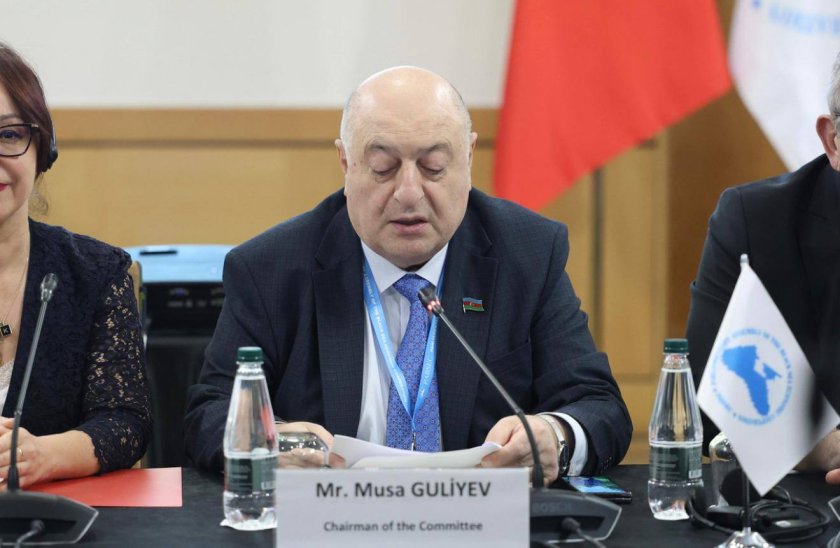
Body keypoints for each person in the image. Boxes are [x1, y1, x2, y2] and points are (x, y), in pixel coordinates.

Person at [184, 66, 632, 483]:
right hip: (333, 520)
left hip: (479, 520)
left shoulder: (527, 254)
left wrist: (556, 436)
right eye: (384, 168)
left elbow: (598, 406)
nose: (409, 192)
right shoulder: (270, 268)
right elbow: (209, 414)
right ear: (346, 163)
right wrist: (264, 443)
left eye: (434, 167)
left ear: (468, 156)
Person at [0, 42, 151, 488]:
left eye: (9, 135)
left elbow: (125, 423)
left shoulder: (95, 273)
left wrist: (42, 456)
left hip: (50, 516)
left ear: (43, 150)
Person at [686, 54, 840, 484]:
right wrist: (827, 447)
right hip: (801, 497)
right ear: (833, 141)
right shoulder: (756, 223)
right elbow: (711, 399)